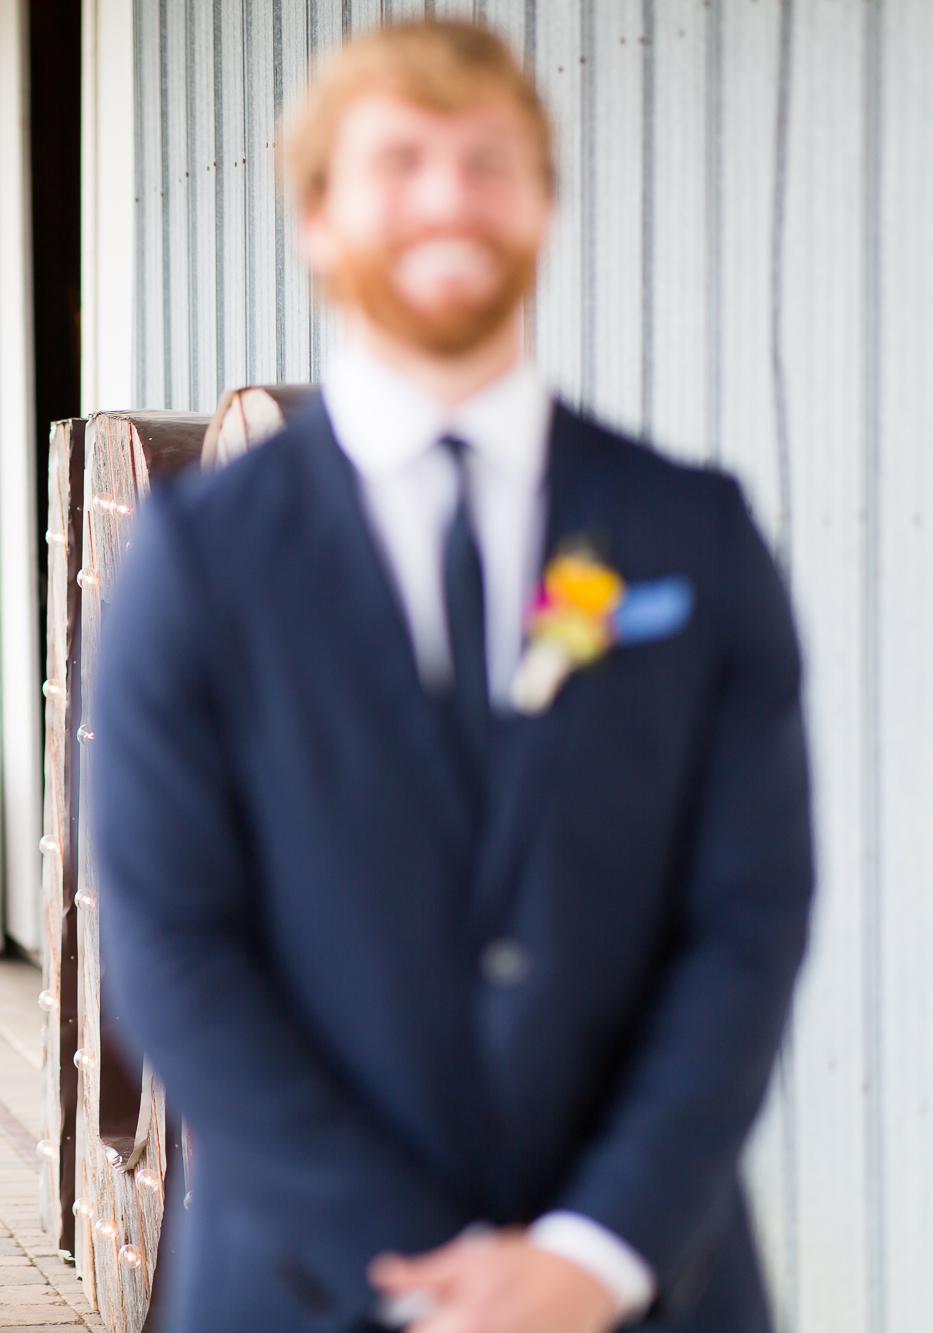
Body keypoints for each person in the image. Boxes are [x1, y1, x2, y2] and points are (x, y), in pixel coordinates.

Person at [91, 21, 811, 1333]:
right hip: (306, 1283)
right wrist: (412, 1266)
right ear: (317, 218)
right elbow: (167, 942)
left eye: (490, 162)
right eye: (399, 162)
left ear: (541, 205)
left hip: (649, 1283)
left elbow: (747, 916)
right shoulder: (200, 563)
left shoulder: (689, 535)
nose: (448, 198)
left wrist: (588, 1254)